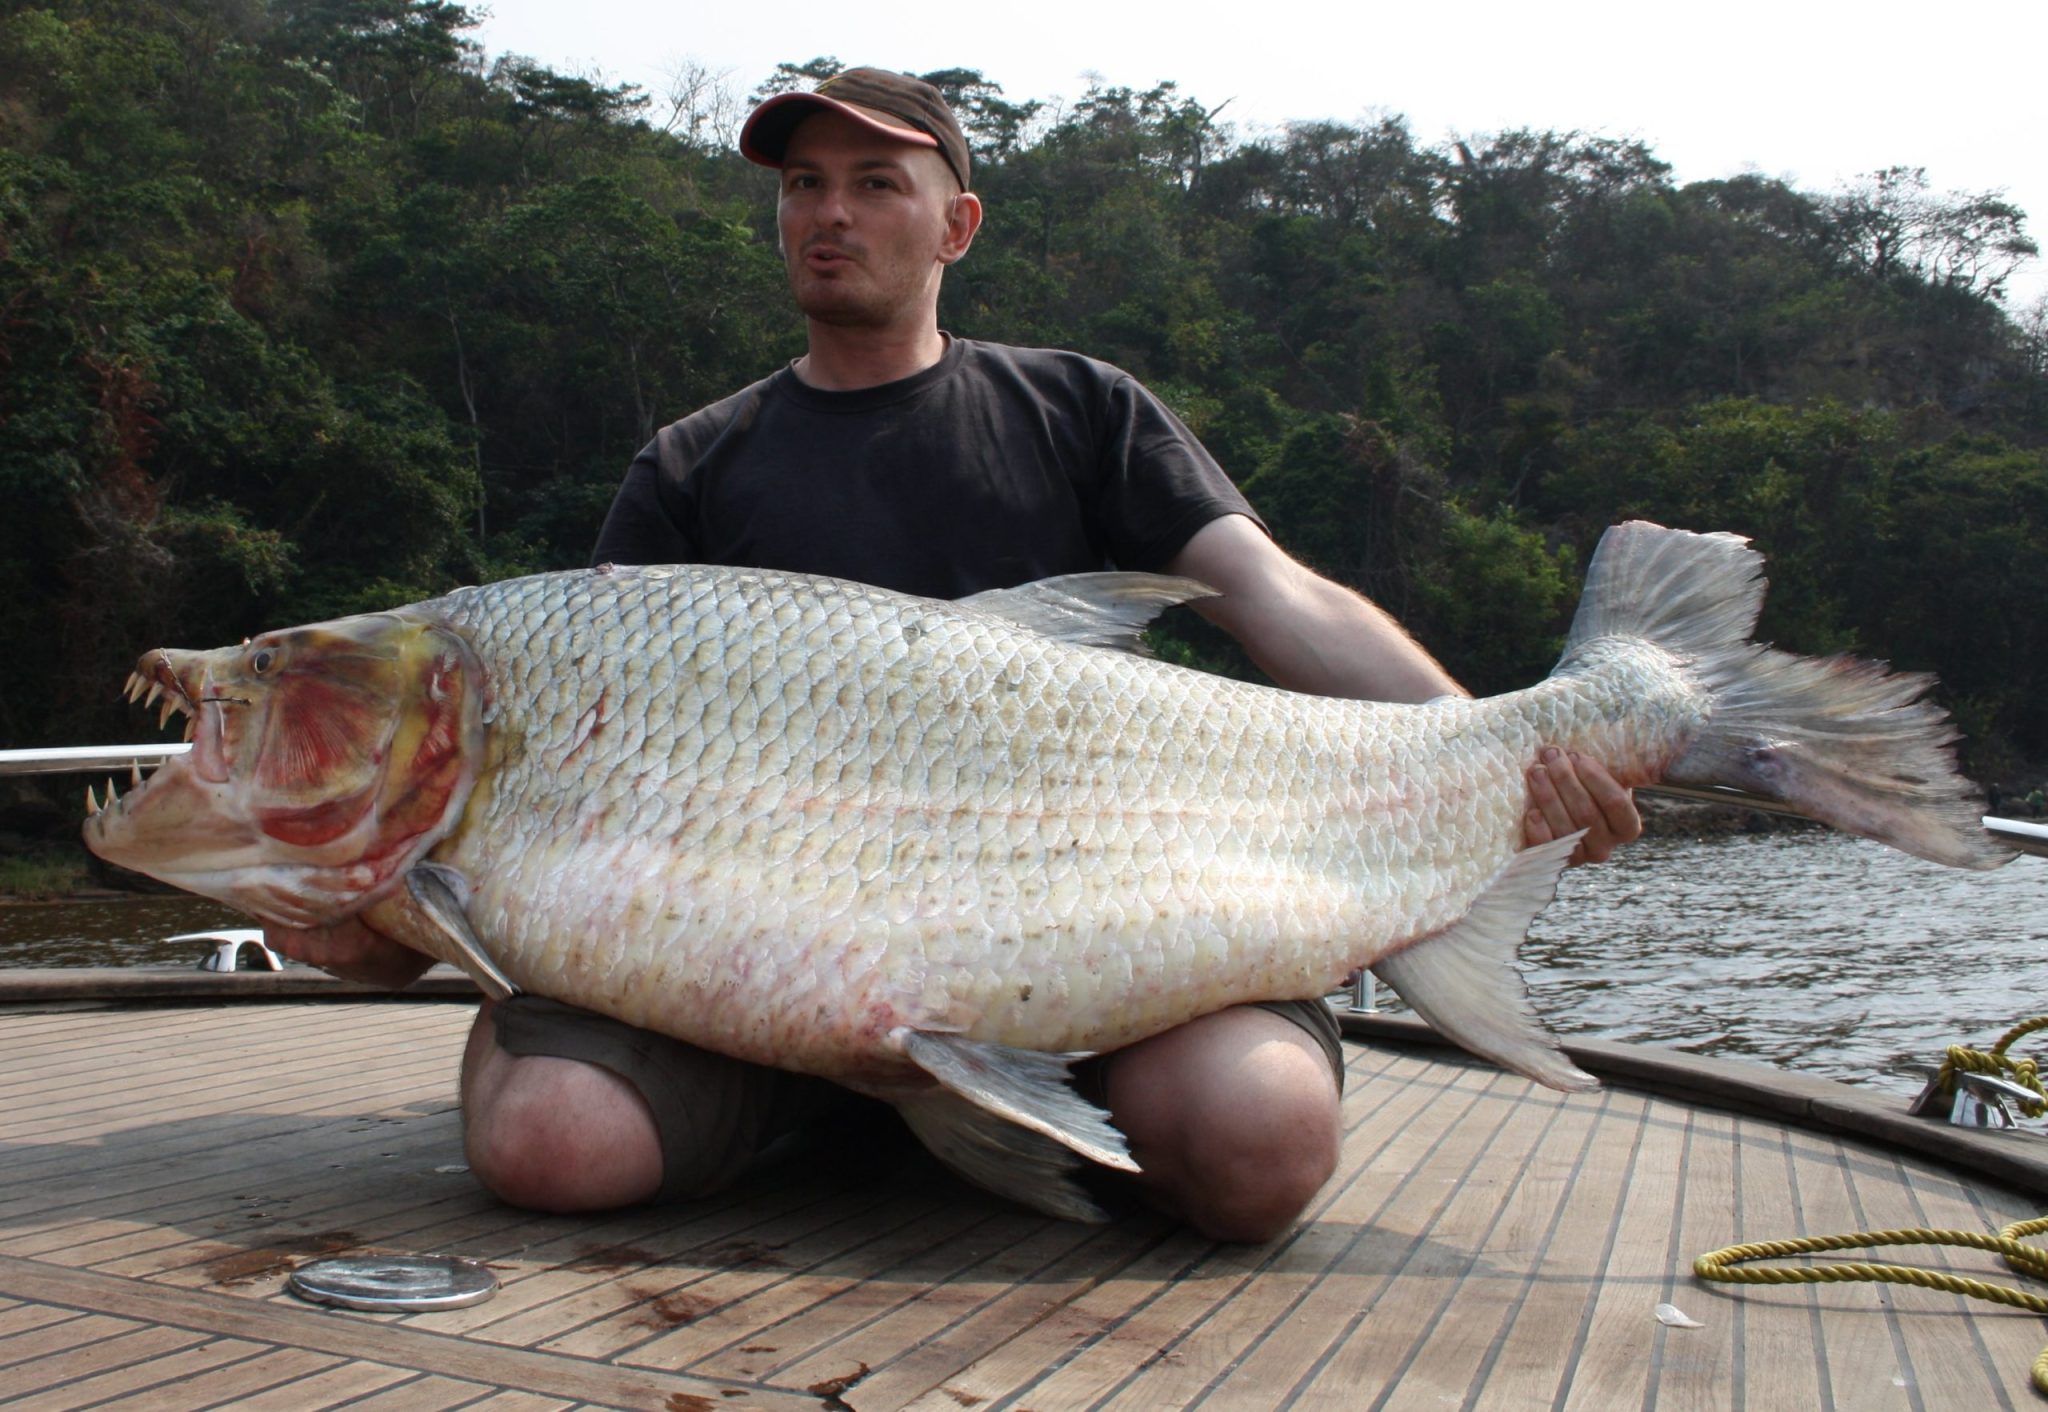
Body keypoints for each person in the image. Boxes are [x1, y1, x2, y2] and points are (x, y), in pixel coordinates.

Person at [267, 69, 1640, 1243]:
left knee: (1259, 1148)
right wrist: (370, 923)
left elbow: (1271, 593)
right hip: (737, 981)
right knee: (549, 1146)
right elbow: (557, 804)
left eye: (875, 182)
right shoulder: (690, 463)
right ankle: (834, 1115)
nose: (831, 214)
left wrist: (1499, 743)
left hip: (1090, 940)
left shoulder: (1081, 408)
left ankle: (965, 1109)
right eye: (805, 185)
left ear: (956, 225)